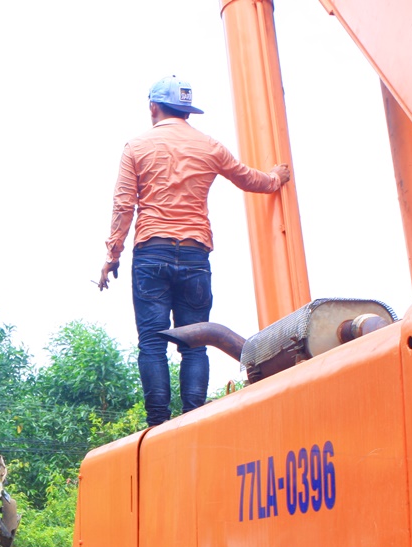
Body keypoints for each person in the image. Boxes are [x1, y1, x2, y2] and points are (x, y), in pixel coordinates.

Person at [100, 75, 291, 427]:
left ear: (153, 108)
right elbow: (250, 179)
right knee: (196, 342)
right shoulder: (210, 147)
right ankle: (193, 420)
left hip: (151, 253)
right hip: (194, 255)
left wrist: (112, 256)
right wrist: (276, 178)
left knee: (153, 342)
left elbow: (124, 205)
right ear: (188, 112)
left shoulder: (136, 147)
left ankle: (158, 423)